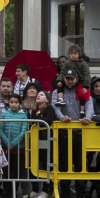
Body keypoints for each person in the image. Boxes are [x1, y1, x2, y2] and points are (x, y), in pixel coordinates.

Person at [51, 68, 94, 198]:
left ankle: (81, 193)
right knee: (64, 164)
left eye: (72, 79)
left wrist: (88, 117)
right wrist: (61, 117)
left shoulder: (83, 91)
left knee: (81, 164)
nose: (69, 81)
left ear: (76, 79)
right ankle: (65, 193)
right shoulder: (57, 92)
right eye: (67, 78)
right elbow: (55, 107)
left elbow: (89, 105)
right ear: (63, 79)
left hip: (80, 134)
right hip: (63, 133)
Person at [25, 91, 56, 198]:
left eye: (42, 95)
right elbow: (32, 121)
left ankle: (46, 190)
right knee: (32, 165)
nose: (38, 95)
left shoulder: (50, 108)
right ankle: (35, 189)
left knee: (46, 166)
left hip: (48, 141)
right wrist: (37, 120)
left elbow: (49, 121)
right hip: (35, 141)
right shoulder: (35, 110)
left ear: (47, 99)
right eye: (38, 94)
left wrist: (37, 120)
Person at [0, 94, 29, 197]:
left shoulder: (23, 115)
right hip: (6, 148)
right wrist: (6, 142)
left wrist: (13, 143)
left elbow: (24, 131)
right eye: (12, 102)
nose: (14, 104)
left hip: (18, 149)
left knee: (16, 171)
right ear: (9, 103)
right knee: (6, 171)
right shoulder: (3, 115)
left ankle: (15, 191)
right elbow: (0, 129)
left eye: (16, 102)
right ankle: (6, 191)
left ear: (20, 103)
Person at [55, 45, 91, 118]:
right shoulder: (67, 63)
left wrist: (85, 86)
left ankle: (82, 110)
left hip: (80, 81)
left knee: (82, 94)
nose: (73, 55)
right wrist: (60, 80)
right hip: (68, 79)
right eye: (71, 54)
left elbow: (87, 75)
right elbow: (62, 72)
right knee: (60, 86)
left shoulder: (83, 63)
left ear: (79, 54)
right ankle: (60, 99)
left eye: (75, 54)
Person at [87, 76, 100, 198]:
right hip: (90, 138)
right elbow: (90, 115)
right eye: (96, 86)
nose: (98, 89)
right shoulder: (90, 99)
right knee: (89, 165)